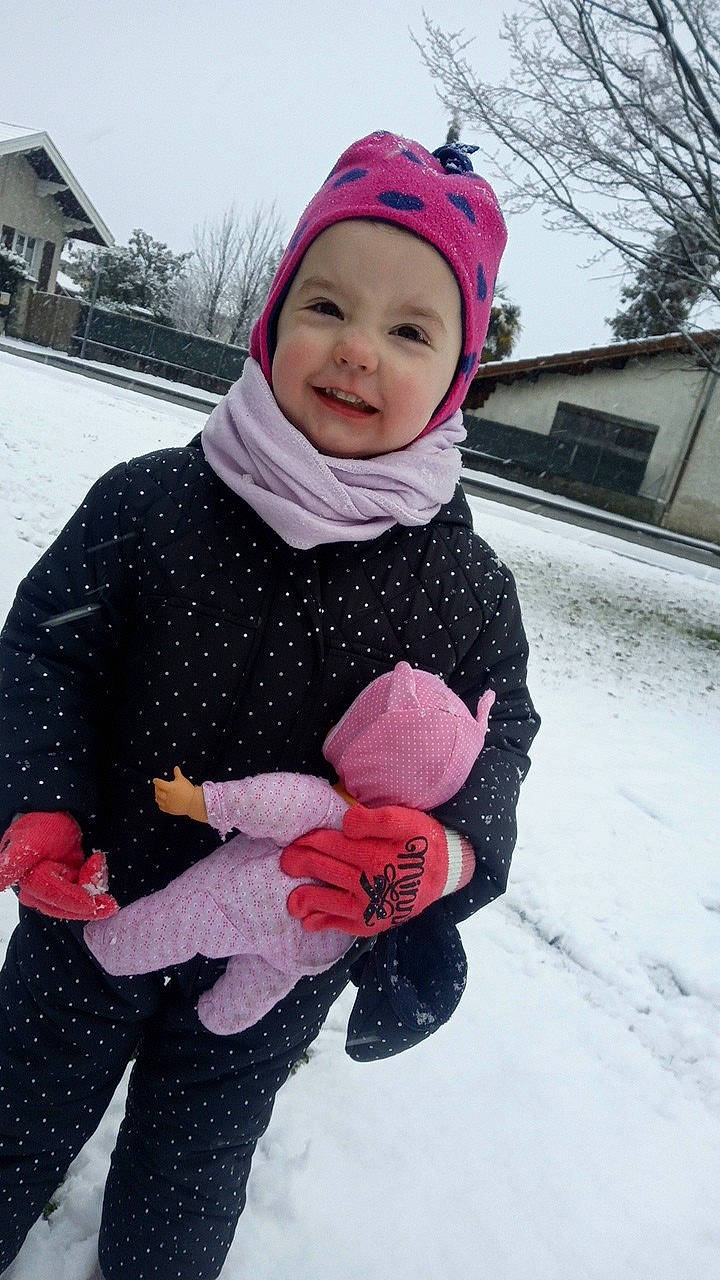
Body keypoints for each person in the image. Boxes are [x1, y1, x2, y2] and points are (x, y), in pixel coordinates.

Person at [0, 130, 540, 1280]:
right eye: (326, 304)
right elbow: (46, 655)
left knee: (189, 1175)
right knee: (11, 1112)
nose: (356, 348)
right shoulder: (149, 504)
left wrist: (449, 852)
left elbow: (505, 736)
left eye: (410, 330)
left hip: (278, 955)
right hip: (90, 903)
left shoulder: (466, 589)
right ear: (272, 317)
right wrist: (39, 803)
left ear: (458, 375)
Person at [84, 664, 496, 1036]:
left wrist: (199, 801)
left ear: (366, 747)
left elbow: (263, 803)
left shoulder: (323, 806)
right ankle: (221, 1018)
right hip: (314, 944)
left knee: (178, 924)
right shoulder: (392, 843)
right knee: (259, 985)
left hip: (241, 904)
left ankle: (111, 947)